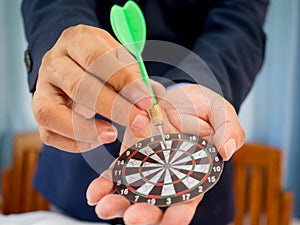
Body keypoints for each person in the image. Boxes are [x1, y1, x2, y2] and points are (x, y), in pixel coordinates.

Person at [21, 0, 269, 224]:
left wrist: (197, 85)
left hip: (197, 201)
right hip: (76, 184)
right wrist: (67, 46)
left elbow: (239, 18)